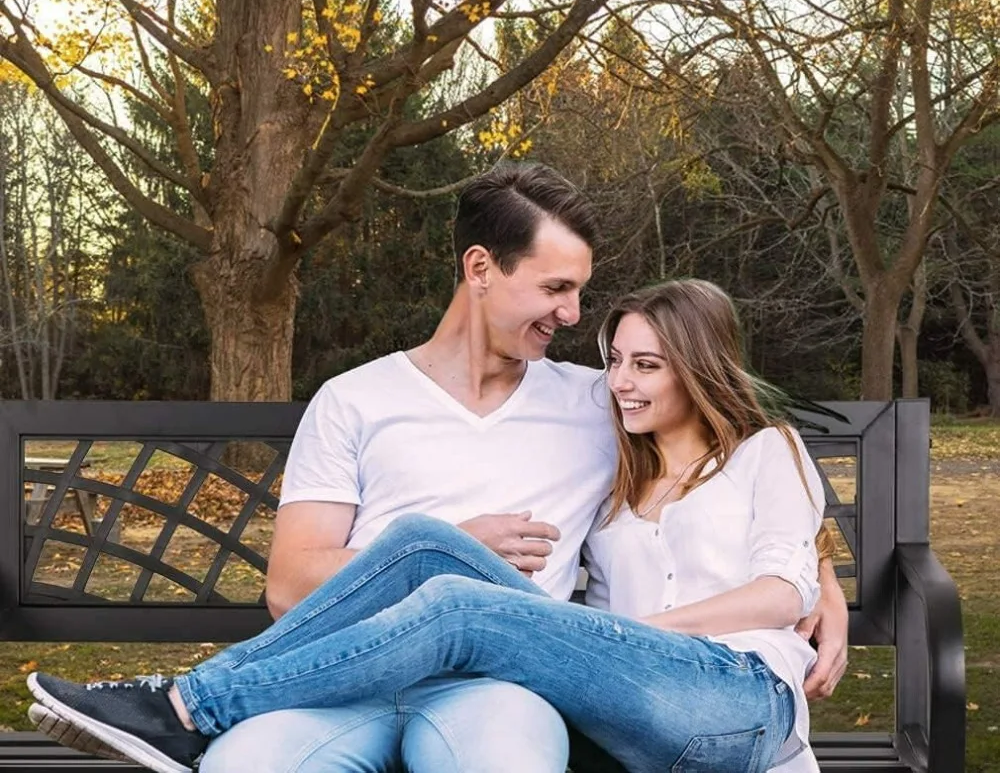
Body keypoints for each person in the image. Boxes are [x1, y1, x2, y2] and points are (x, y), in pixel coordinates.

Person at [26, 165, 846, 773]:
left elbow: (720, 445)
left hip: (500, 682)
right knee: (260, 752)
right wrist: (466, 541)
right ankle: (185, 713)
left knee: (489, 704)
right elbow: (288, 588)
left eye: (580, 292)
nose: (573, 315)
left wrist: (818, 579)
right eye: (557, 288)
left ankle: (178, 704)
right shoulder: (353, 400)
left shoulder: (599, 400)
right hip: (342, 674)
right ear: (482, 269)